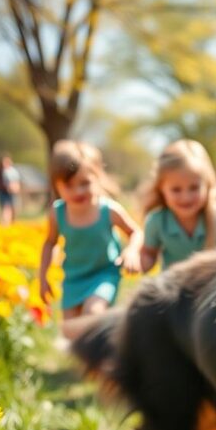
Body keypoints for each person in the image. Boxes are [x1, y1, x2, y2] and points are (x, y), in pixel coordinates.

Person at [38, 140, 143, 340]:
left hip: (104, 274)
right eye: (69, 185)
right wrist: (43, 276)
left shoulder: (108, 210)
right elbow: (50, 242)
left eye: (85, 183)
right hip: (73, 278)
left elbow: (135, 232)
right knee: (71, 332)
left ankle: (106, 359)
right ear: (56, 186)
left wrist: (131, 251)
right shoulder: (57, 213)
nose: (78, 191)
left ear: (98, 178)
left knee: (93, 315)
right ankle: (92, 362)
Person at [123, 139, 216, 274]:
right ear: (161, 189)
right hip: (171, 289)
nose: (186, 197)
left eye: (194, 188)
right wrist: (136, 261)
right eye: (176, 190)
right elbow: (149, 254)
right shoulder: (157, 220)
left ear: (207, 185)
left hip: (208, 289)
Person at [0, 154, 21, 225]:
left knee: (14, 208)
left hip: (13, 193)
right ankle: (4, 223)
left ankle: (12, 222)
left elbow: (17, 181)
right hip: (4, 193)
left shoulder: (13, 171)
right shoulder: (0, 172)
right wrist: (6, 187)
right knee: (5, 208)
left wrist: (16, 188)